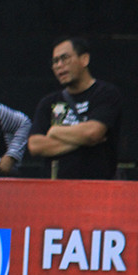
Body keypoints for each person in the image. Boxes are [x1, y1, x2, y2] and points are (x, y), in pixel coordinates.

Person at [28, 37, 123, 180]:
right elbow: (35, 145)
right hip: (56, 191)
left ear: (84, 59)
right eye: (55, 61)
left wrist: (55, 131)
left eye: (65, 58)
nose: (59, 65)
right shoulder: (48, 102)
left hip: (97, 189)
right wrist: (83, 140)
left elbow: (93, 133)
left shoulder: (106, 93)